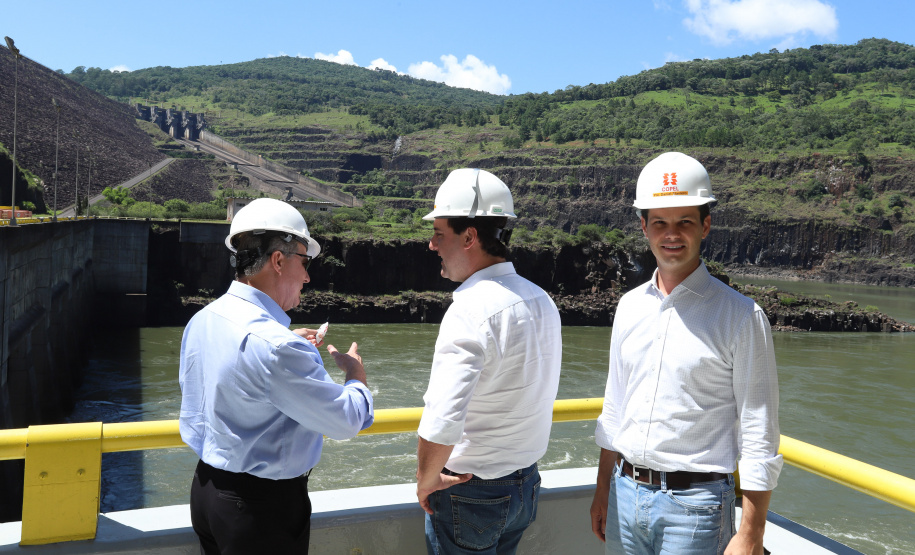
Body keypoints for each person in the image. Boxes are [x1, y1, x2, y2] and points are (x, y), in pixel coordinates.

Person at [589, 152, 782, 555]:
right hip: (624, 494)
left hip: (696, 508)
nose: (671, 234)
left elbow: (759, 431)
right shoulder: (628, 306)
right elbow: (615, 406)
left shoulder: (741, 316)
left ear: (705, 226)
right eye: (660, 222)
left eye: (685, 222)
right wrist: (603, 487)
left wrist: (751, 534)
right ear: (644, 227)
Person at [179, 198, 374, 555]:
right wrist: (355, 375)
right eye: (305, 261)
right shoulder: (277, 347)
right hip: (259, 511)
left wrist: (286, 344)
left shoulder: (204, 319)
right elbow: (345, 421)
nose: (308, 277)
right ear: (279, 261)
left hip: (206, 491)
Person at [415, 168, 563, 555]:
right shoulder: (541, 299)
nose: (431, 245)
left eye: (438, 234)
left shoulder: (470, 310)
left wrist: (426, 480)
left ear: (469, 237)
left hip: (470, 493)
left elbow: (443, 417)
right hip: (525, 486)